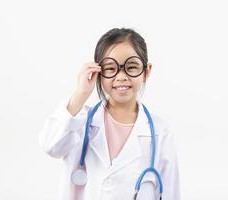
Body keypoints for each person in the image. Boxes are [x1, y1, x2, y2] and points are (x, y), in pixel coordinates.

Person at [39, 27, 180, 200]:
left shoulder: (160, 133)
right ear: (98, 73)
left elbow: (171, 193)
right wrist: (81, 94)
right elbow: (50, 146)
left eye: (131, 67)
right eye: (110, 68)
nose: (121, 76)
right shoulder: (79, 122)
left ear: (147, 71)